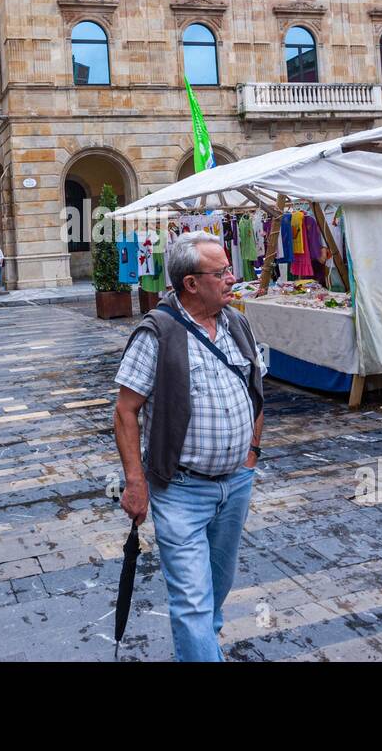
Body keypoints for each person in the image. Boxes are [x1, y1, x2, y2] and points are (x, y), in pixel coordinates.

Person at [113, 232, 266, 662]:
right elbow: (126, 412)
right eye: (221, 272)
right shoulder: (156, 332)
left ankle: (202, 649)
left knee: (216, 591)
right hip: (180, 490)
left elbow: (256, 390)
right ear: (192, 283)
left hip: (236, 484)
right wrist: (135, 483)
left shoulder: (237, 323)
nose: (233, 278)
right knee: (193, 603)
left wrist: (251, 454)